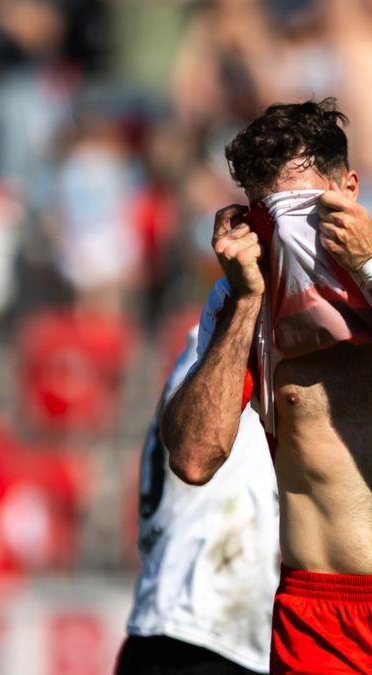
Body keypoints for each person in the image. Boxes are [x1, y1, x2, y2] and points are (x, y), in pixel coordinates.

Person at [160, 99, 372, 674]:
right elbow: (195, 457)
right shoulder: (239, 300)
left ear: (349, 188)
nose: (291, 238)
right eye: (272, 217)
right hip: (321, 620)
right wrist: (246, 301)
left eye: (306, 212)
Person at [117, 279, 279, 675]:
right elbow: (194, 458)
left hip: (194, 627)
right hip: (199, 625)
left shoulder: (212, 343)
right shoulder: (229, 343)